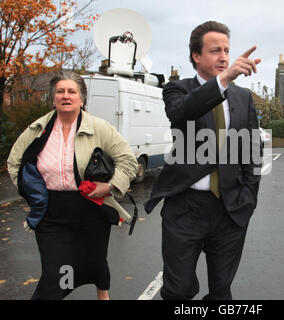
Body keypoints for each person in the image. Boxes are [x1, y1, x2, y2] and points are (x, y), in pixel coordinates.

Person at [144, 21, 262, 300]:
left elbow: (252, 150)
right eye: (215, 51)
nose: (223, 57)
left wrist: (249, 196)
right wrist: (223, 80)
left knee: (222, 291)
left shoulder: (243, 97)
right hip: (185, 208)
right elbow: (182, 113)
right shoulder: (177, 90)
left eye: (227, 50)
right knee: (178, 290)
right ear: (196, 56)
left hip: (230, 209)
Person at [7, 70, 138, 300]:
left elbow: (128, 161)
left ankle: (102, 293)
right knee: (53, 272)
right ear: (53, 97)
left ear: (82, 98)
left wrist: (108, 188)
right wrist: (31, 193)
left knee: (95, 261)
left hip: (91, 210)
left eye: (71, 91)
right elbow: (14, 162)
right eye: (60, 91)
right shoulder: (37, 129)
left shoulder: (100, 128)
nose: (66, 96)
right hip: (50, 212)